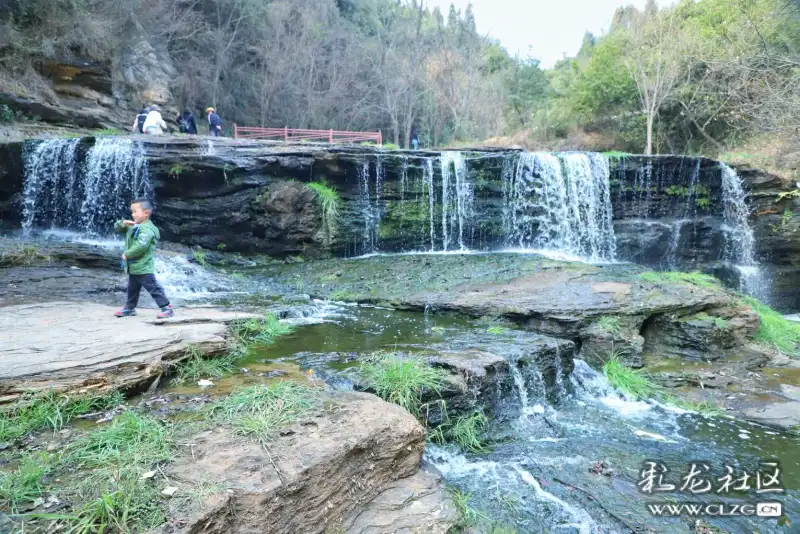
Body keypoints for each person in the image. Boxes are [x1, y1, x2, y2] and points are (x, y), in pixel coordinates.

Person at [113, 198, 174, 319]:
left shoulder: (147, 229)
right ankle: (129, 308)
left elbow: (141, 246)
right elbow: (118, 229)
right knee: (132, 289)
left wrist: (127, 253)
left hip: (144, 266)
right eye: (132, 211)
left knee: (153, 288)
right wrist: (123, 223)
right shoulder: (135, 226)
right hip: (134, 267)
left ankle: (166, 307)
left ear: (146, 213)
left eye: (135, 211)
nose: (132, 214)